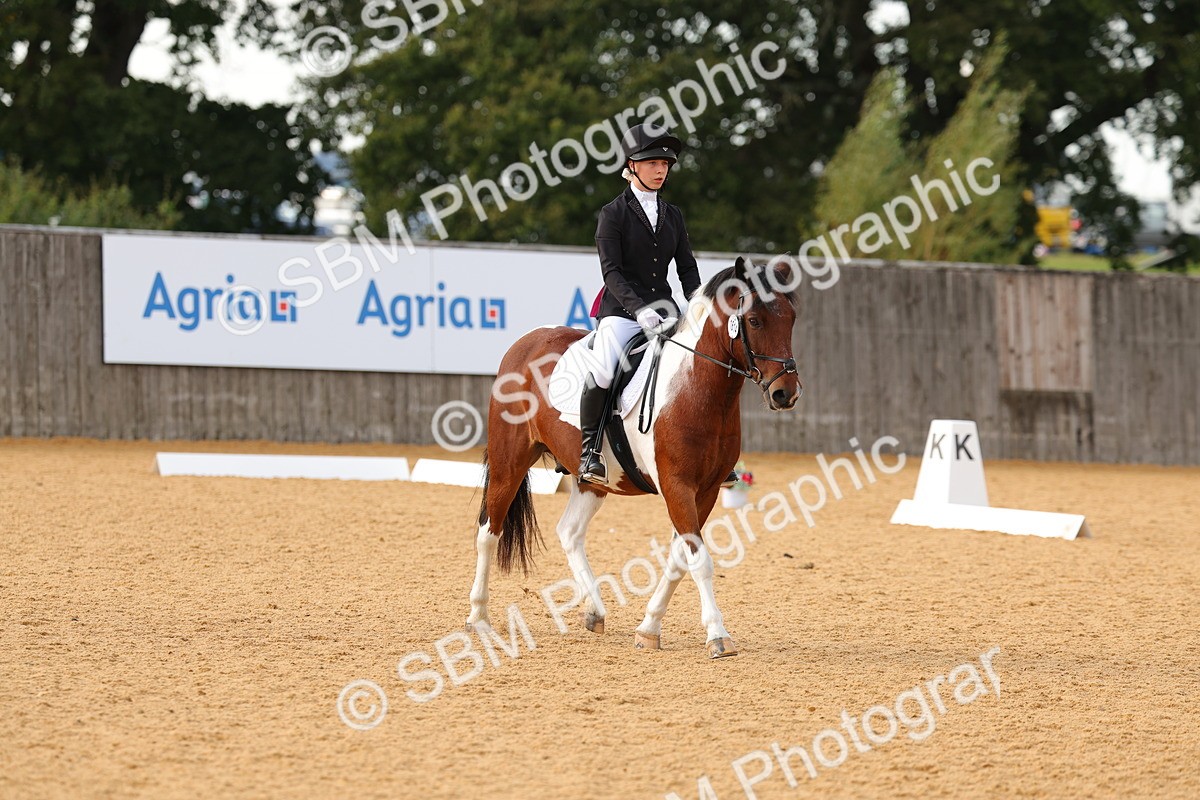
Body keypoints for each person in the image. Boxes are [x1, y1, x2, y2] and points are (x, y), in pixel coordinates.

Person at [579, 123, 725, 486]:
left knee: (705, 363)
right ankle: (589, 451)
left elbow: (687, 268)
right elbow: (611, 272)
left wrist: (700, 304)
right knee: (603, 370)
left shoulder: (673, 214)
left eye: (666, 163)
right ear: (632, 165)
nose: (661, 170)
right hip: (622, 312)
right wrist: (638, 309)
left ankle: (716, 454)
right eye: (653, 163)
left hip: (667, 311)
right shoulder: (613, 213)